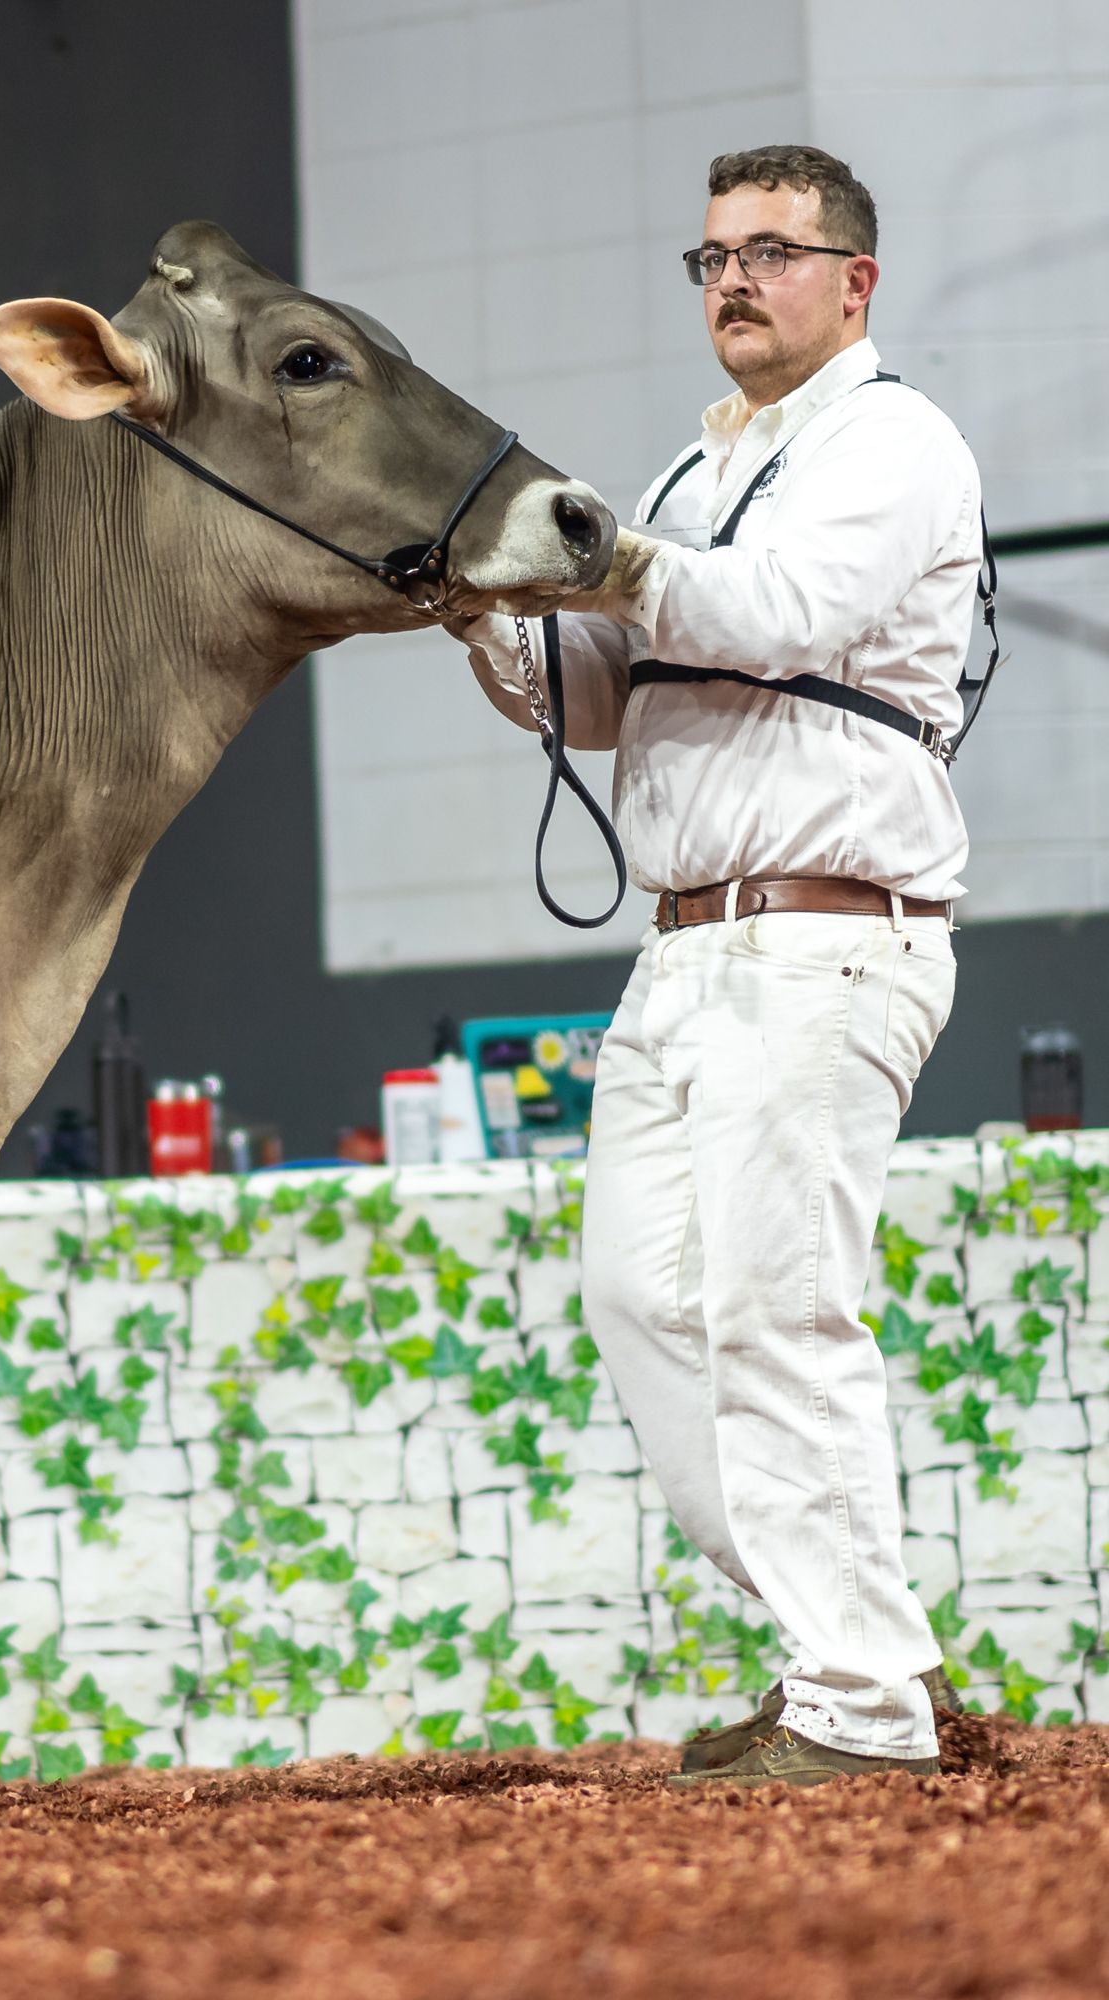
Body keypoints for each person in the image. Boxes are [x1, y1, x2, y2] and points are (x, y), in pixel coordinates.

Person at [454, 145, 981, 1786]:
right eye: (713, 258)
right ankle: (857, 1647)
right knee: (640, 1301)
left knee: (774, 1311)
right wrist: (477, 606)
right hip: (685, 946)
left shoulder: (895, 440)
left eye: (771, 251)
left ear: (855, 282)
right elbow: (597, 694)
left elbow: (781, 611)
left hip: (826, 931)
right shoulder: (696, 468)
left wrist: (596, 553)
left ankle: (864, 1701)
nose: (735, 280)